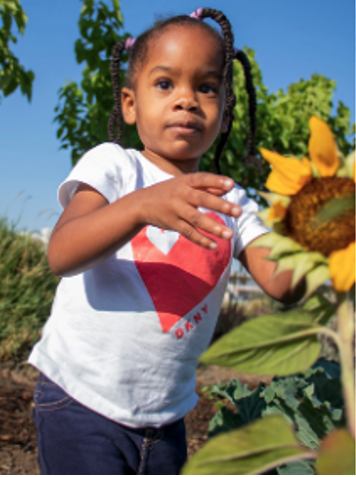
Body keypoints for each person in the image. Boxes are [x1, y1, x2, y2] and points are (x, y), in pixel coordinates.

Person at [29, 8, 303, 475]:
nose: (187, 101)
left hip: (167, 420)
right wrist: (140, 207)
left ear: (225, 106)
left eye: (207, 87)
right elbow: (62, 253)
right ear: (130, 104)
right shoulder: (115, 167)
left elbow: (283, 284)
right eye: (165, 84)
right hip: (79, 402)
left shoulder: (229, 198)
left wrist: (323, 237)